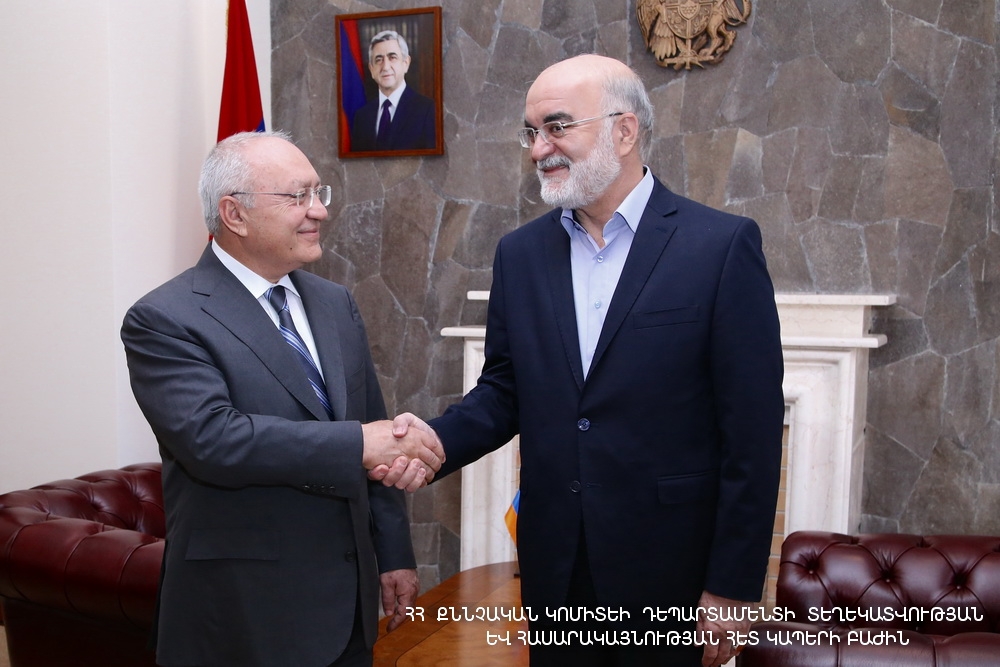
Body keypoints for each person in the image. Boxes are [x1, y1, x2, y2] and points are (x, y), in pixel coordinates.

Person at [378, 54, 785, 666]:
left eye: (557, 127)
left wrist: (733, 585)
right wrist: (432, 442)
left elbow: (752, 433)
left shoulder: (721, 247)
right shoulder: (519, 254)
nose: (539, 149)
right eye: (531, 132)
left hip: (670, 571)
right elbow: (505, 390)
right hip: (556, 570)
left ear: (624, 131)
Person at [121, 130, 444, 667]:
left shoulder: (334, 303)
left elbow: (374, 425)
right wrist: (361, 444)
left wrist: (393, 555)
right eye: (297, 196)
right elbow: (213, 440)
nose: (319, 211)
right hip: (242, 617)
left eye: (319, 192)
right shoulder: (165, 318)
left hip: (348, 612)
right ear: (235, 214)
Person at [349, 30, 436, 152]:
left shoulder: (428, 110)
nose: (385, 67)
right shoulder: (362, 117)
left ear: (406, 63)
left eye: (392, 57)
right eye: (379, 59)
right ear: (371, 69)